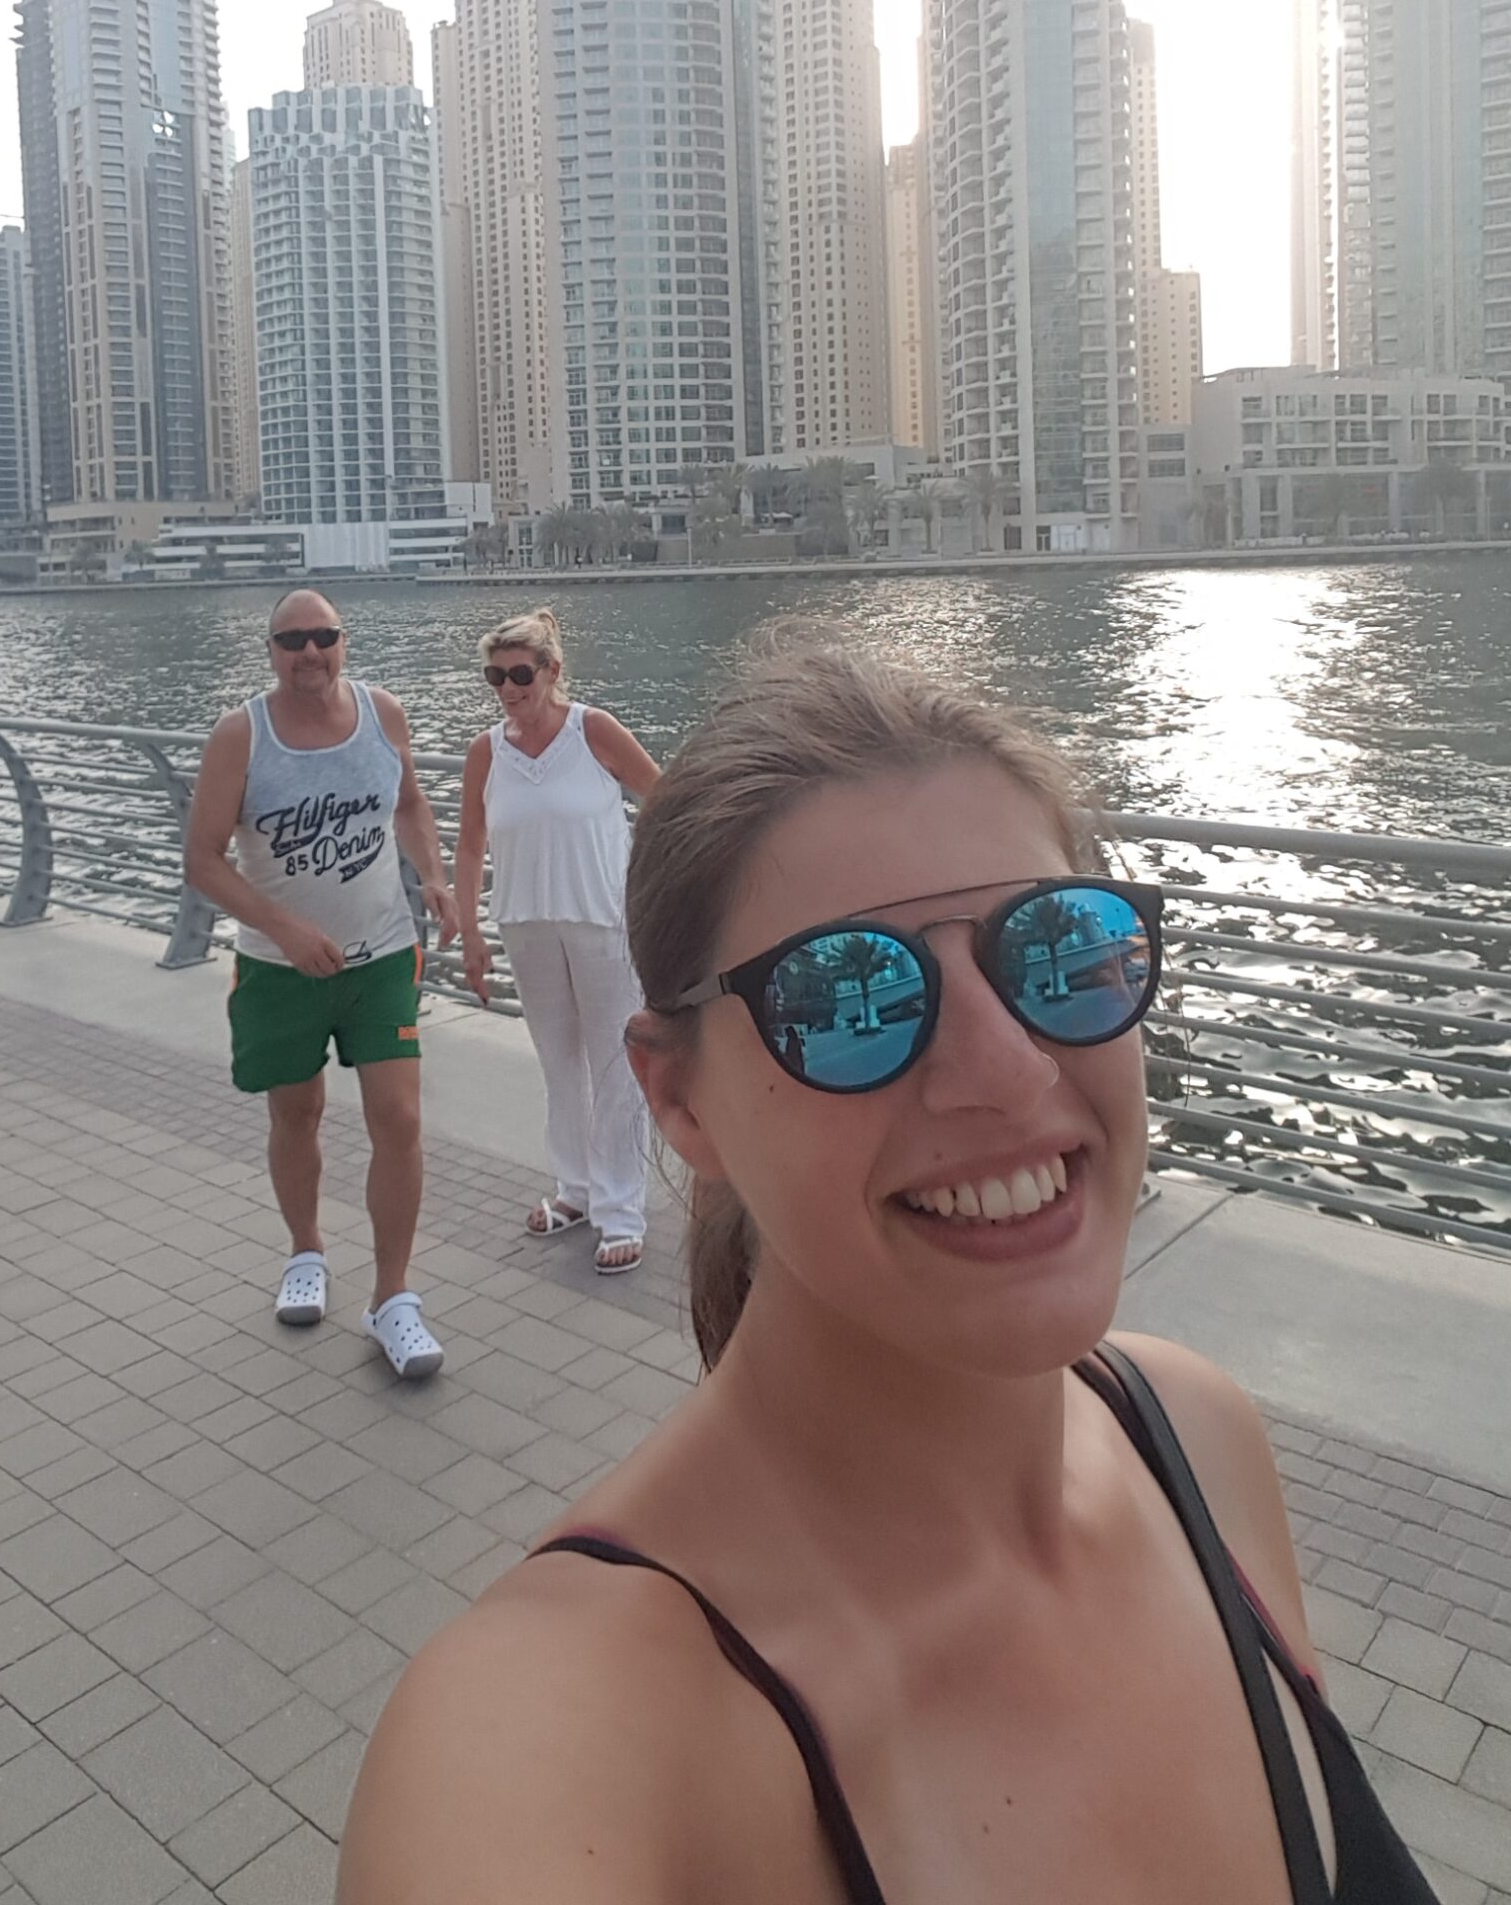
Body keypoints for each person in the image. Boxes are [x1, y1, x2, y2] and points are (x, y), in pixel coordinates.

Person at [341, 635, 1435, 1901]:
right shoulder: (562, 1734)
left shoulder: (1196, 1435)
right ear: (680, 1099)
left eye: (1057, 950)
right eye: (848, 997)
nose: (1009, 1072)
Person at [185, 589, 459, 1380]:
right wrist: (285, 929)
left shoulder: (383, 714)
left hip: (382, 956)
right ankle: (306, 1250)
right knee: (296, 1112)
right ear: (271, 651)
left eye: (324, 636)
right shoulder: (242, 735)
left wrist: (433, 875)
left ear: (344, 642)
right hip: (281, 968)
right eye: (292, 640)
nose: (310, 652)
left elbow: (410, 804)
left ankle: (393, 1297)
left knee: (399, 1119)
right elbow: (202, 859)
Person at [452, 610, 661, 1275]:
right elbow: (470, 844)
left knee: (616, 1064)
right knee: (558, 1064)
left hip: (603, 920)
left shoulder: (592, 730)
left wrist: (657, 888)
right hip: (527, 924)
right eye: (496, 677)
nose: (509, 689)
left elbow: (663, 800)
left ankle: (621, 1208)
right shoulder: (487, 751)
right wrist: (470, 932)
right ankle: (576, 1189)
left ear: (552, 670)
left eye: (520, 673)